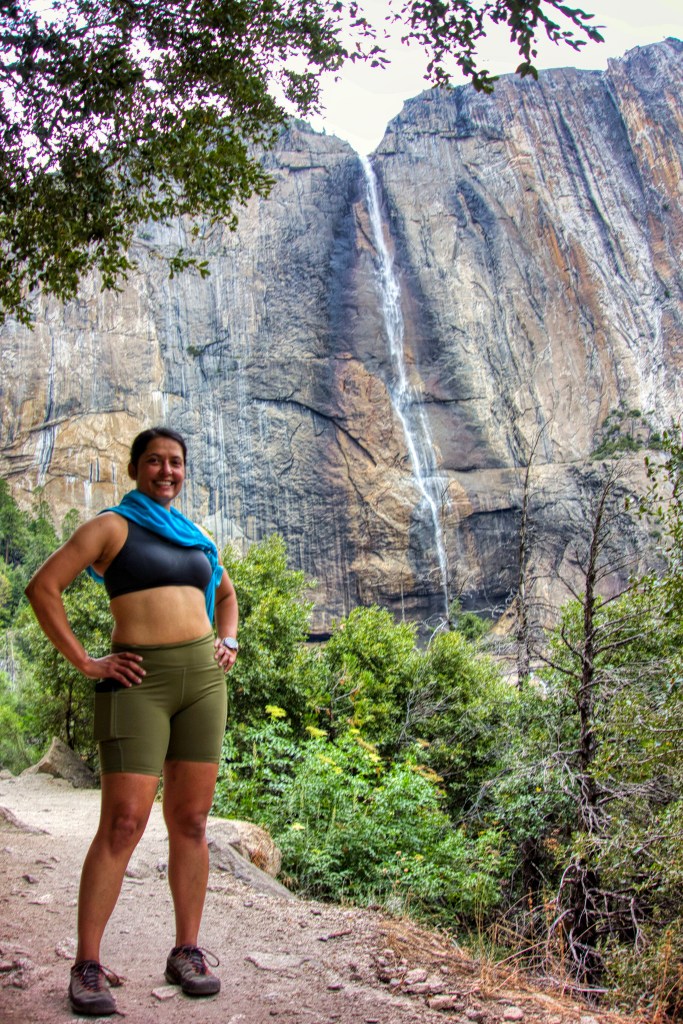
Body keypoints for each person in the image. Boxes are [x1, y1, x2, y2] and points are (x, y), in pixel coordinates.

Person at [25, 426, 239, 1016]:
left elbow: (225, 595)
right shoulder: (111, 527)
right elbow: (43, 587)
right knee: (123, 823)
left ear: (184, 470)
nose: (166, 471)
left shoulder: (197, 538)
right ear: (135, 468)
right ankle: (87, 965)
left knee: (191, 821)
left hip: (203, 684)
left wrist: (228, 639)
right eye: (154, 461)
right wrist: (87, 661)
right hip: (137, 683)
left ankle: (186, 951)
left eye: (175, 462)